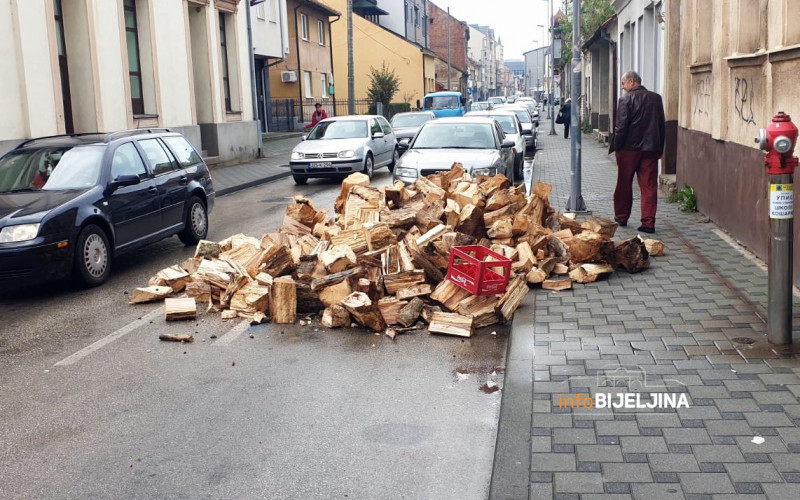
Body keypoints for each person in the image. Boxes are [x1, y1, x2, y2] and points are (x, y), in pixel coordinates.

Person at [610, 70, 666, 234]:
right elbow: (661, 126)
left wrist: (617, 147)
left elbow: (621, 127)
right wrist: (659, 149)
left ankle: (622, 216)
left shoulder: (625, 100)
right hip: (650, 149)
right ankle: (648, 223)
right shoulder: (656, 98)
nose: (622, 87)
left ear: (632, 82)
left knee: (624, 184)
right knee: (649, 186)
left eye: (623, 83)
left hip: (628, 149)